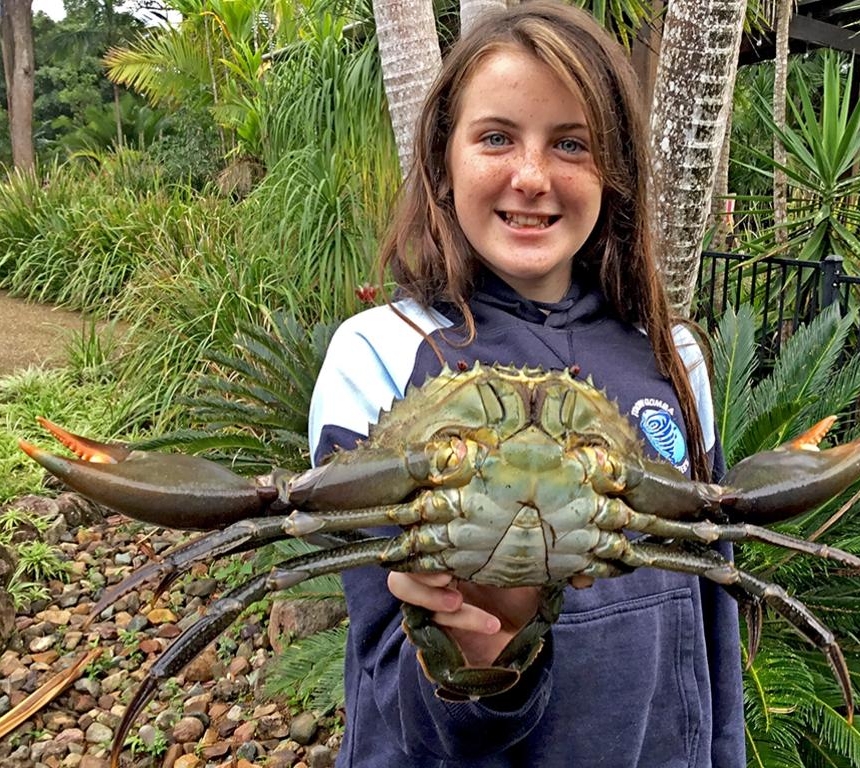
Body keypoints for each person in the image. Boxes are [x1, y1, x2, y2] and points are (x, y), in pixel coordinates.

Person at [307, 2, 745, 765]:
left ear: (613, 170)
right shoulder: (379, 355)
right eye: (497, 137)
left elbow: (714, 609)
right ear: (445, 157)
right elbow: (389, 695)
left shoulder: (672, 357)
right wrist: (478, 658)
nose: (532, 176)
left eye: (571, 143)